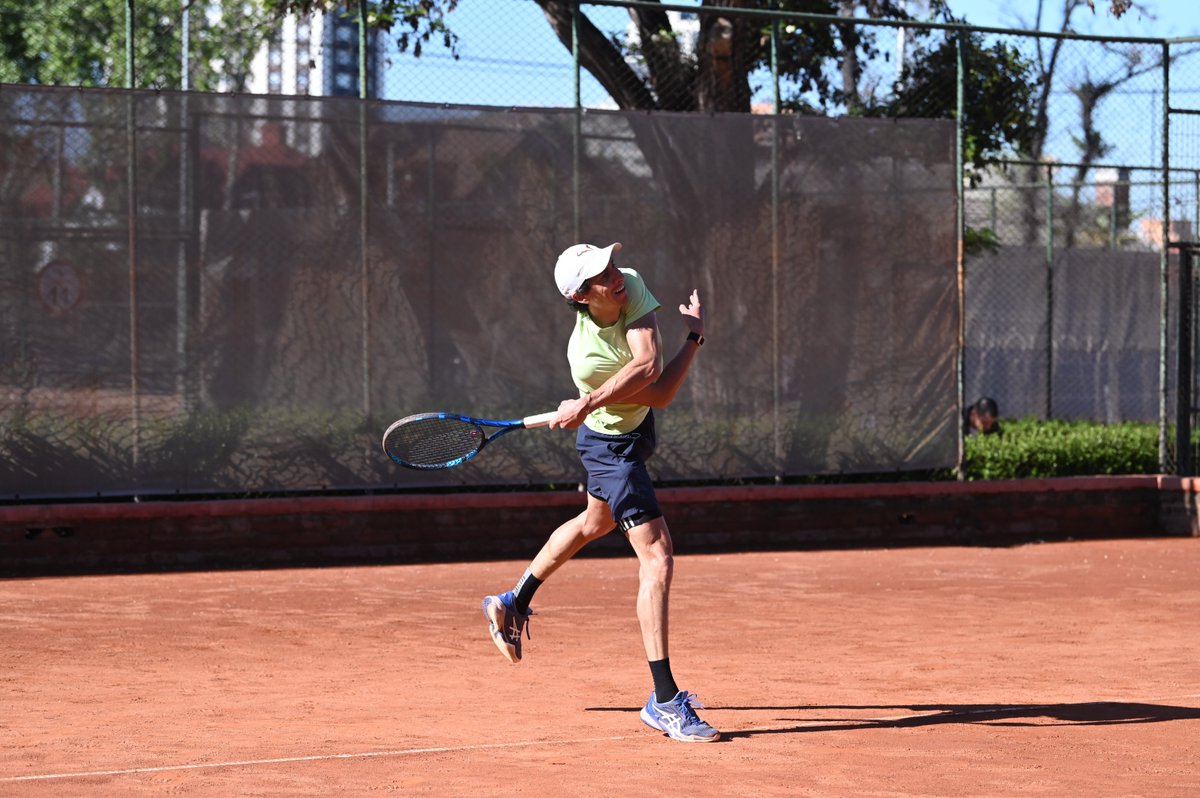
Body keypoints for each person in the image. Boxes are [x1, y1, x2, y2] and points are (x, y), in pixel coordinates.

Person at [481, 241, 719, 743]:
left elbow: (653, 374)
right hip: (613, 451)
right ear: (580, 297)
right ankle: (666, 700)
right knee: (658, 560)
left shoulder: (628, 283)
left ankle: (513, 600)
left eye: (609, 265)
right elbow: (653, 382)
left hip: (627, 431)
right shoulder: (586, 359)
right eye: (598, 276)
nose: (613, 276)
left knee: (594, 523)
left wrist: (692, 340)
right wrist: (591, 400)